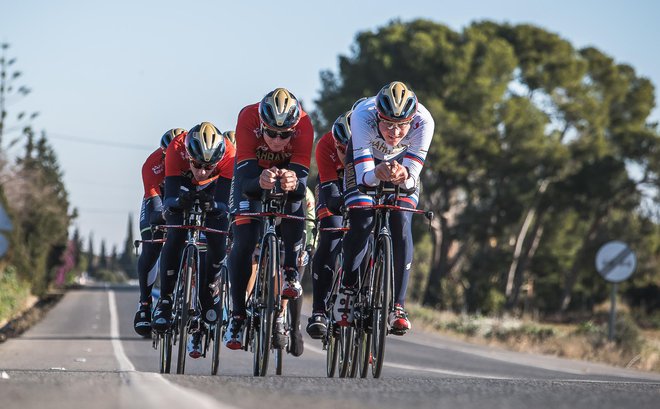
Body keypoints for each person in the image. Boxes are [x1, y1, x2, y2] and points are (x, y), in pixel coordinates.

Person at [334, 81, 434, 335]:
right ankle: (347, 289)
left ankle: (398, 307)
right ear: (377, 115)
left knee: (401, 223)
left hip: (402, 167)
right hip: (366, 165)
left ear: (412, 120)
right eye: (388, 123)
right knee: (361, 219)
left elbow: (412, 180)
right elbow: (364, 177)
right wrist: (376, 173)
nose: (395, 131)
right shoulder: (362, 116)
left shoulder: (425, 122)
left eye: (402, 125)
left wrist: (404, 177)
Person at [224, 87, 314, 353]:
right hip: (251, 174)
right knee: (245, 239)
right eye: (271, 133)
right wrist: (260, 180)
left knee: (294, 203)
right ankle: (238, 315)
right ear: (261, 123)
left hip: (287, 173)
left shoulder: (305, 125)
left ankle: (288, 272)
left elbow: (300, 184)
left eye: (284, 135)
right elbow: (247, 180)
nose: (276, 140)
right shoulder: (248, 117)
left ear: (294, 129)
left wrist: (292, 181)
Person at [151, 122, 236, 358]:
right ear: (189, 154)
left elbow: (224, 203)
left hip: (215, 188)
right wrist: (179, 203)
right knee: (175, 234)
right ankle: (166, 300)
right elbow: (169, 198)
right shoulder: (177, 149)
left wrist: (214, 206)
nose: (201, 171)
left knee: (218, 237)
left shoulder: (229, 153)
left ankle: (210, 285)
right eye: (197, 164)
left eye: (208, 166)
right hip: (182, 186)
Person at [133, 128, 185, 337]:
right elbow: (155, 205)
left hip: (184, 199)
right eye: (167, 154)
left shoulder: (190, 157)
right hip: (159, 201)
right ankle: (145, 304)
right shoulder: (152, 164)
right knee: (152, 244)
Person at [305, 110, 353, 339]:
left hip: (360, 182)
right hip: (331, 184)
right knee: (331, 235)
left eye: (350, 150)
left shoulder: (375, 146)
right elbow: (331, 193)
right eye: (342, 149)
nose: (346, 155)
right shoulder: (325, 144)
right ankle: (319, 311)